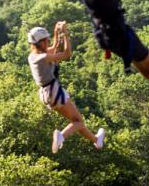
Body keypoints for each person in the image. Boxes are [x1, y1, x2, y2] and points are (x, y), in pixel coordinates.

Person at [28, 21, 105, 153]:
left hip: (47, 95)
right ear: (39, 42)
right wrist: (65, 34)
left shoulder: (33, 56)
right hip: (55, 92)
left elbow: (55, 47)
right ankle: (61, 136)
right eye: (45, 40)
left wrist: (56, 32)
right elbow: (67, 54)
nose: (48, 42)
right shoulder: (43, 57)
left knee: (74, 122)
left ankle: (96, 140)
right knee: (79, 121)